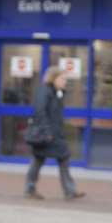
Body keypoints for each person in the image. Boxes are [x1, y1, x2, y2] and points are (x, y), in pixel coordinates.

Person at [23, 66, 84, 200]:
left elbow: (56, 113)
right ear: (54, 78)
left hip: (56, 134)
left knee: (62, 158)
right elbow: (40, 111)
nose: (65, 81)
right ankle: (30, 189)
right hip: (46, 134)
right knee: (39, 159)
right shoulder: (44, 91)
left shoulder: (57, 92)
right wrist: (46, 131)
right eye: (62, 78)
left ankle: (69, 190)